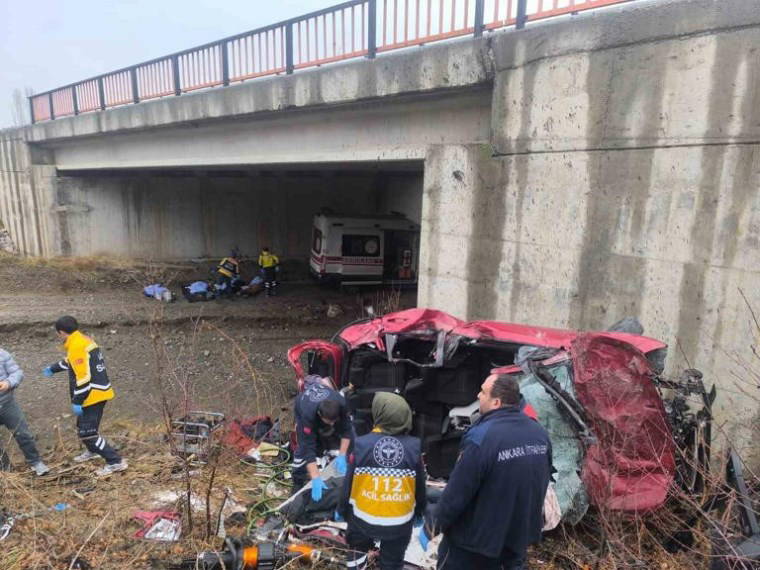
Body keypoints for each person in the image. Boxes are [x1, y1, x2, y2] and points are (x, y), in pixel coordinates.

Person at [421, 374, 552, 570]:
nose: (478, 395)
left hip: (474, 545)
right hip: (518, 537)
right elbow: (541, 482)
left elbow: (458, 493)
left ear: (496, 402)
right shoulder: (539, 434)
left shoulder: (481, 438)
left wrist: (432, 526)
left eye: (483, 392)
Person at [338, 392, 426, 570]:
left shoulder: (361, 444)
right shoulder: (414, 448)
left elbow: (348, 484)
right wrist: (419, 512)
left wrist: (341, 509)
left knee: (356, 555)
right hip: (399, 524)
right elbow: (420, 487)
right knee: (392, 563)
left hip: (362, 520)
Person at [43, 316, 128, 476]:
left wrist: (77, 400)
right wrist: (53, 368)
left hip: (93, 394)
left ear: (61, 332)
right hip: (98, 390)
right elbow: (72, 361)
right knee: (82, 426)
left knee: (88, 433)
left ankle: (115, 461)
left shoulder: (76, 345)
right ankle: (92, 451)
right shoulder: (82, 339)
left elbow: (84, 378)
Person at [292, 375, 353, 498]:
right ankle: (297, 481)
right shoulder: (308, 415)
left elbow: (347, 430)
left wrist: (342, 455)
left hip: (327, 405)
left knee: (342, 437)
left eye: (334, 421)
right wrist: (315, 478)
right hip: (302, 406)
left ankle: (331, 456)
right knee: (303, 450)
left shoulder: (341, 402)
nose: (332, 424)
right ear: (320, 415)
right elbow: (308, 448)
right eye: (329, 421)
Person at [0, 348, 50, 476]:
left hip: (7, 403)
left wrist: (8, 382)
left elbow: (17, 373)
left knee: (23, 433)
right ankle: (5, 471)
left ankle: (35, 462)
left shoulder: (2, 354)